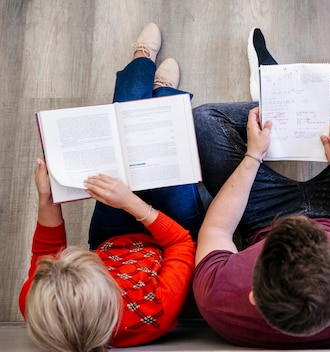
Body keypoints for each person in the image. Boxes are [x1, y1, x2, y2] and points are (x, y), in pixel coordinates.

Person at [191, 28, 330, 348]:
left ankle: (276, 92)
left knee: (203, 122)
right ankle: (312, 96)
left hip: (264, 215)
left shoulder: (219, 302)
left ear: (252, 295)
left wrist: (253, 155)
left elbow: (217, 230)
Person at [19, 23, 204, 351]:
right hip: (171, 238)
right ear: (112, 296)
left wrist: (47, 198)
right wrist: (132, 204)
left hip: (112, 239)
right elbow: (182, 245)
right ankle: (162, 95)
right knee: (164, 146)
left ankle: (144, 63)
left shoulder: (40, 301)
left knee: (120, 131)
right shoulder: (155, 312)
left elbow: (44, 250)